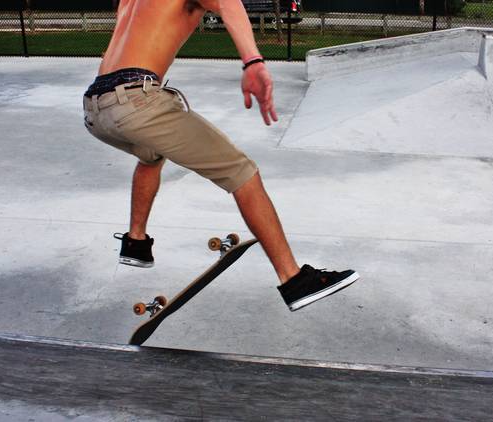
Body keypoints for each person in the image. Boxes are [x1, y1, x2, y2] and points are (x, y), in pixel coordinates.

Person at [82, 0, 358, 311]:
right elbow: (229, 5)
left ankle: (136, 242)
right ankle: (293, 279)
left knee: (151, 155)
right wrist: (253, 63)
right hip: (136, 100)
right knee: (243, 173)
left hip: (96, 106)